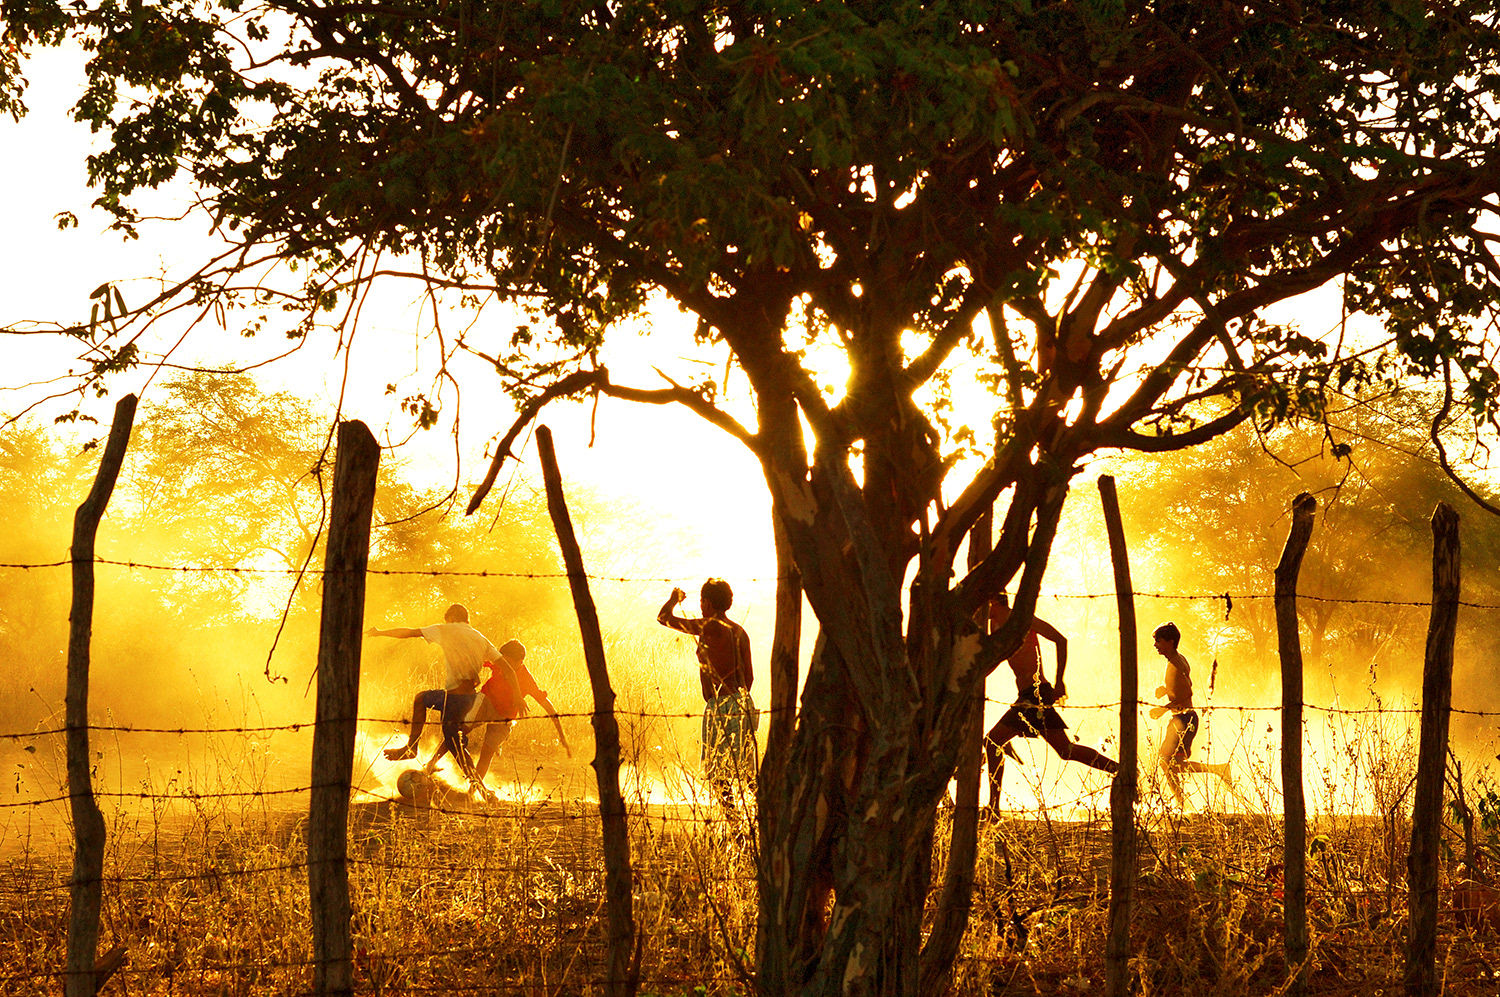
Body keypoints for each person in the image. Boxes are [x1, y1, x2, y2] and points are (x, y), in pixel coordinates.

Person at [368, 606, 568, 791]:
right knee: (458, 731)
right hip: (485, 702)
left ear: (520, 662)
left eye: (508, 662)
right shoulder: (487, 648)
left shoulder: (526, 679)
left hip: (505, 715)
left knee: (485, 750)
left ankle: (474, 790)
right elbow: (483, 661)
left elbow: (547, 705)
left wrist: (562, 735)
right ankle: (430, 766)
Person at [984, 594, 1118, 809]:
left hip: (1036, 694)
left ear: (994, 603)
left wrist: (1059, 681)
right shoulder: (995, 625)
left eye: (985, 603)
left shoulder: (1023, 619)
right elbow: (995, 657)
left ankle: (993, 808)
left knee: (993, 742)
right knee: (1065, 751)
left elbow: (1060, 639)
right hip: (1027, 695)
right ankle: (1120, 770)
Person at [658, 579, 757, 810]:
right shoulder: (740, 632)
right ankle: (765, 822)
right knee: (748, 773)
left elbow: (663, 618)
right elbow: (749, 677)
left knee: (719, 775)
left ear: (708, 603)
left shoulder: (709, 626)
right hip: (743, 703)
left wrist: (674, 600)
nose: (701, 606)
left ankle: (735, 829)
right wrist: (739, 702)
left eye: (702, 601)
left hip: (721, 706)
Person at [1150, 621, 1232, 808]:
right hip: (1186, 718)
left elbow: (1187, 693)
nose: (1156, 645)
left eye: (1159, 641)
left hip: (1183, 718)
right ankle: (1184, 803)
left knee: (1167, 762)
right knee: (1173, 763)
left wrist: (1162, 709)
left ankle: (1183, 803)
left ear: (1170, 642)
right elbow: (1184, 684)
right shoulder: (1178, 659)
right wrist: (1166, 689)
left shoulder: (1175, 664)